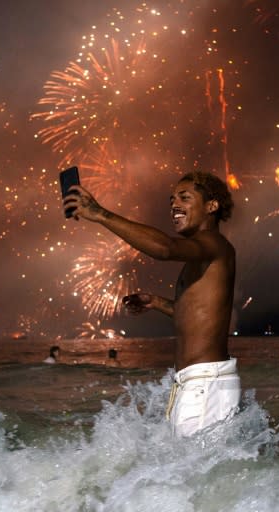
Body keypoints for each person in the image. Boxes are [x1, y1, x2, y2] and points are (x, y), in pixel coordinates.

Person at [64, 171, 240, 437]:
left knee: (192, 475)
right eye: (171, 199)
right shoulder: (202, 255)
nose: (173, 204)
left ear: (211, 206)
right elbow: (197, 316)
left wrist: (100, 214)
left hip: (206, 383)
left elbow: (165, 249)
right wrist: (157, 302)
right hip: (196, 383)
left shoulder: (213, 244)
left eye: (184, 197)